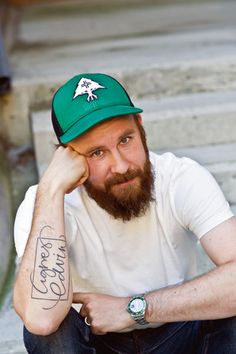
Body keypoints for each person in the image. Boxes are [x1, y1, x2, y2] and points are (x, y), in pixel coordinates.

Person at [13, 73, 236, 354]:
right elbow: (40, 319)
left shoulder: (180, 178)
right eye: (97, 153)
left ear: (140, 128)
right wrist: (51, 190)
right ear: (68, 157)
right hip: (95, 339)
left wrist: (134, 309)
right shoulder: (45, 202)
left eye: (125, 140)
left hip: (178, 332)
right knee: (50, 330)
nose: (120, 166)